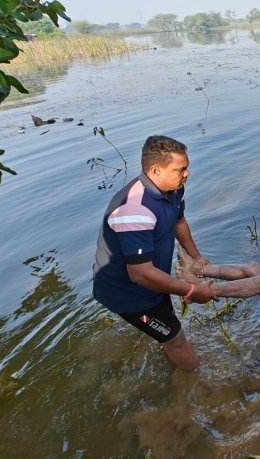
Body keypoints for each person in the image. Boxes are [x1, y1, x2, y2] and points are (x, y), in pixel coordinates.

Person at [92, 136, 217, 371]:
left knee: (168, 325)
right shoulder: (134, 209)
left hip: (153, 280)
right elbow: (140, 274)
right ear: (156, 170)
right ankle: (196, 380)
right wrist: (192, 291)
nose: (187, 174)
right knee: (175, 338)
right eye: (180, 169)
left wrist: (196, 258)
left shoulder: (173, 189)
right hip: (129, 293)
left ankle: (167, 355)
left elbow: (179, 221)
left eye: (187, 168)